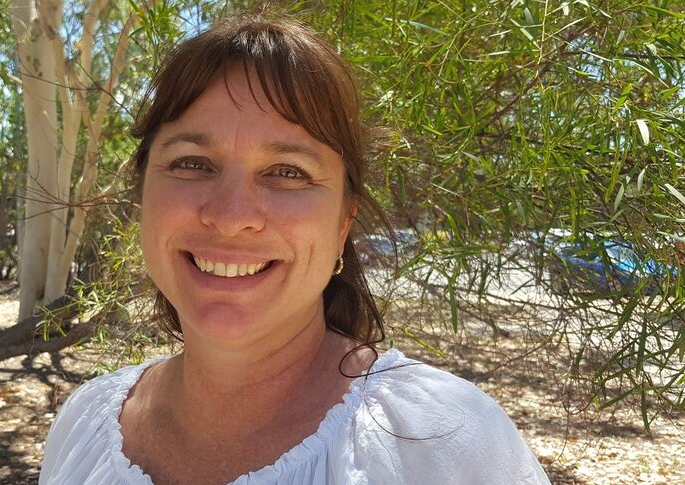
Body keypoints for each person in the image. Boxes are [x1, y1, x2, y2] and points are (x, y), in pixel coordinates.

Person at [39, 13, 550, 485]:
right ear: (142, 195)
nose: (232, 215)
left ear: (343, 223)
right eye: (192, 163)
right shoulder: (84, 423)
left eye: (288, 172)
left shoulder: (443, 441)